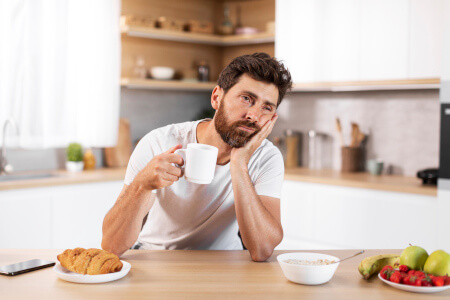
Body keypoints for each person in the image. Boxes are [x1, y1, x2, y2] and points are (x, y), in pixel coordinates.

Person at [102, 53, 293, 262]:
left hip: (224, 262)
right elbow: (111, 246)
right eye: (246, 99)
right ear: (216, 98)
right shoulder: (158, 142)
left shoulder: (267, 157)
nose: (254, 116)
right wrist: (142, 185)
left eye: (267, 108)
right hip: (154, 257)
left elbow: (262, 250)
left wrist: (239, 163)